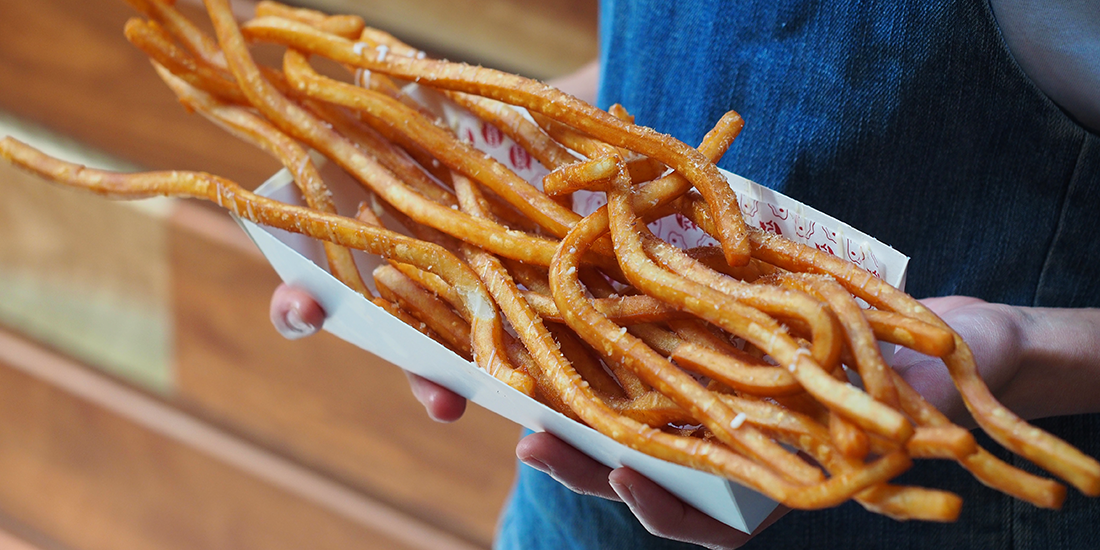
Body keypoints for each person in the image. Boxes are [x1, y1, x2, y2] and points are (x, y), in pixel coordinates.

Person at [271, 0, 1100, 547]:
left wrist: (1027, 347)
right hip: (582, 507)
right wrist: (462, 152)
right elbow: (674, 49)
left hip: (949, 504)